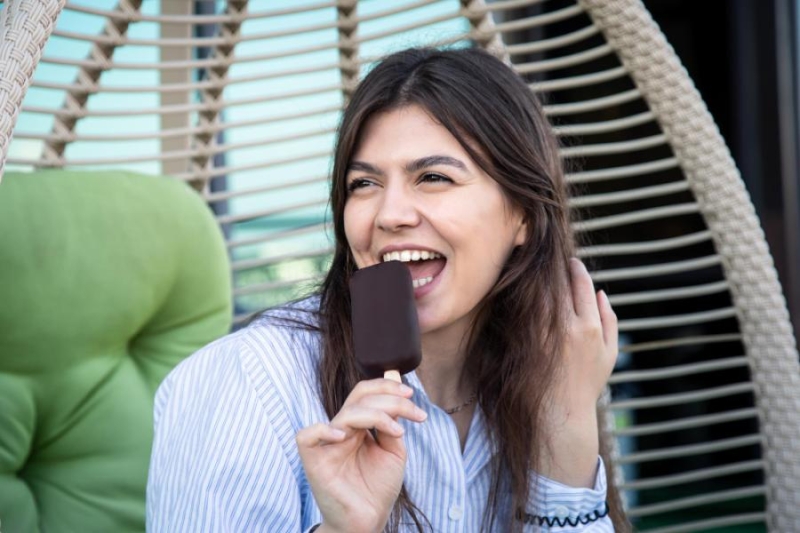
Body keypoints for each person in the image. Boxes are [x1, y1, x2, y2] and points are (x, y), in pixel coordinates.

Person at [147, 47, 628, 532]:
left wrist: (565, 447)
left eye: (433, 177)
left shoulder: (551, 377)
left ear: (523, 213)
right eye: (363, 184)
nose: (390, 213)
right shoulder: (248, 382)